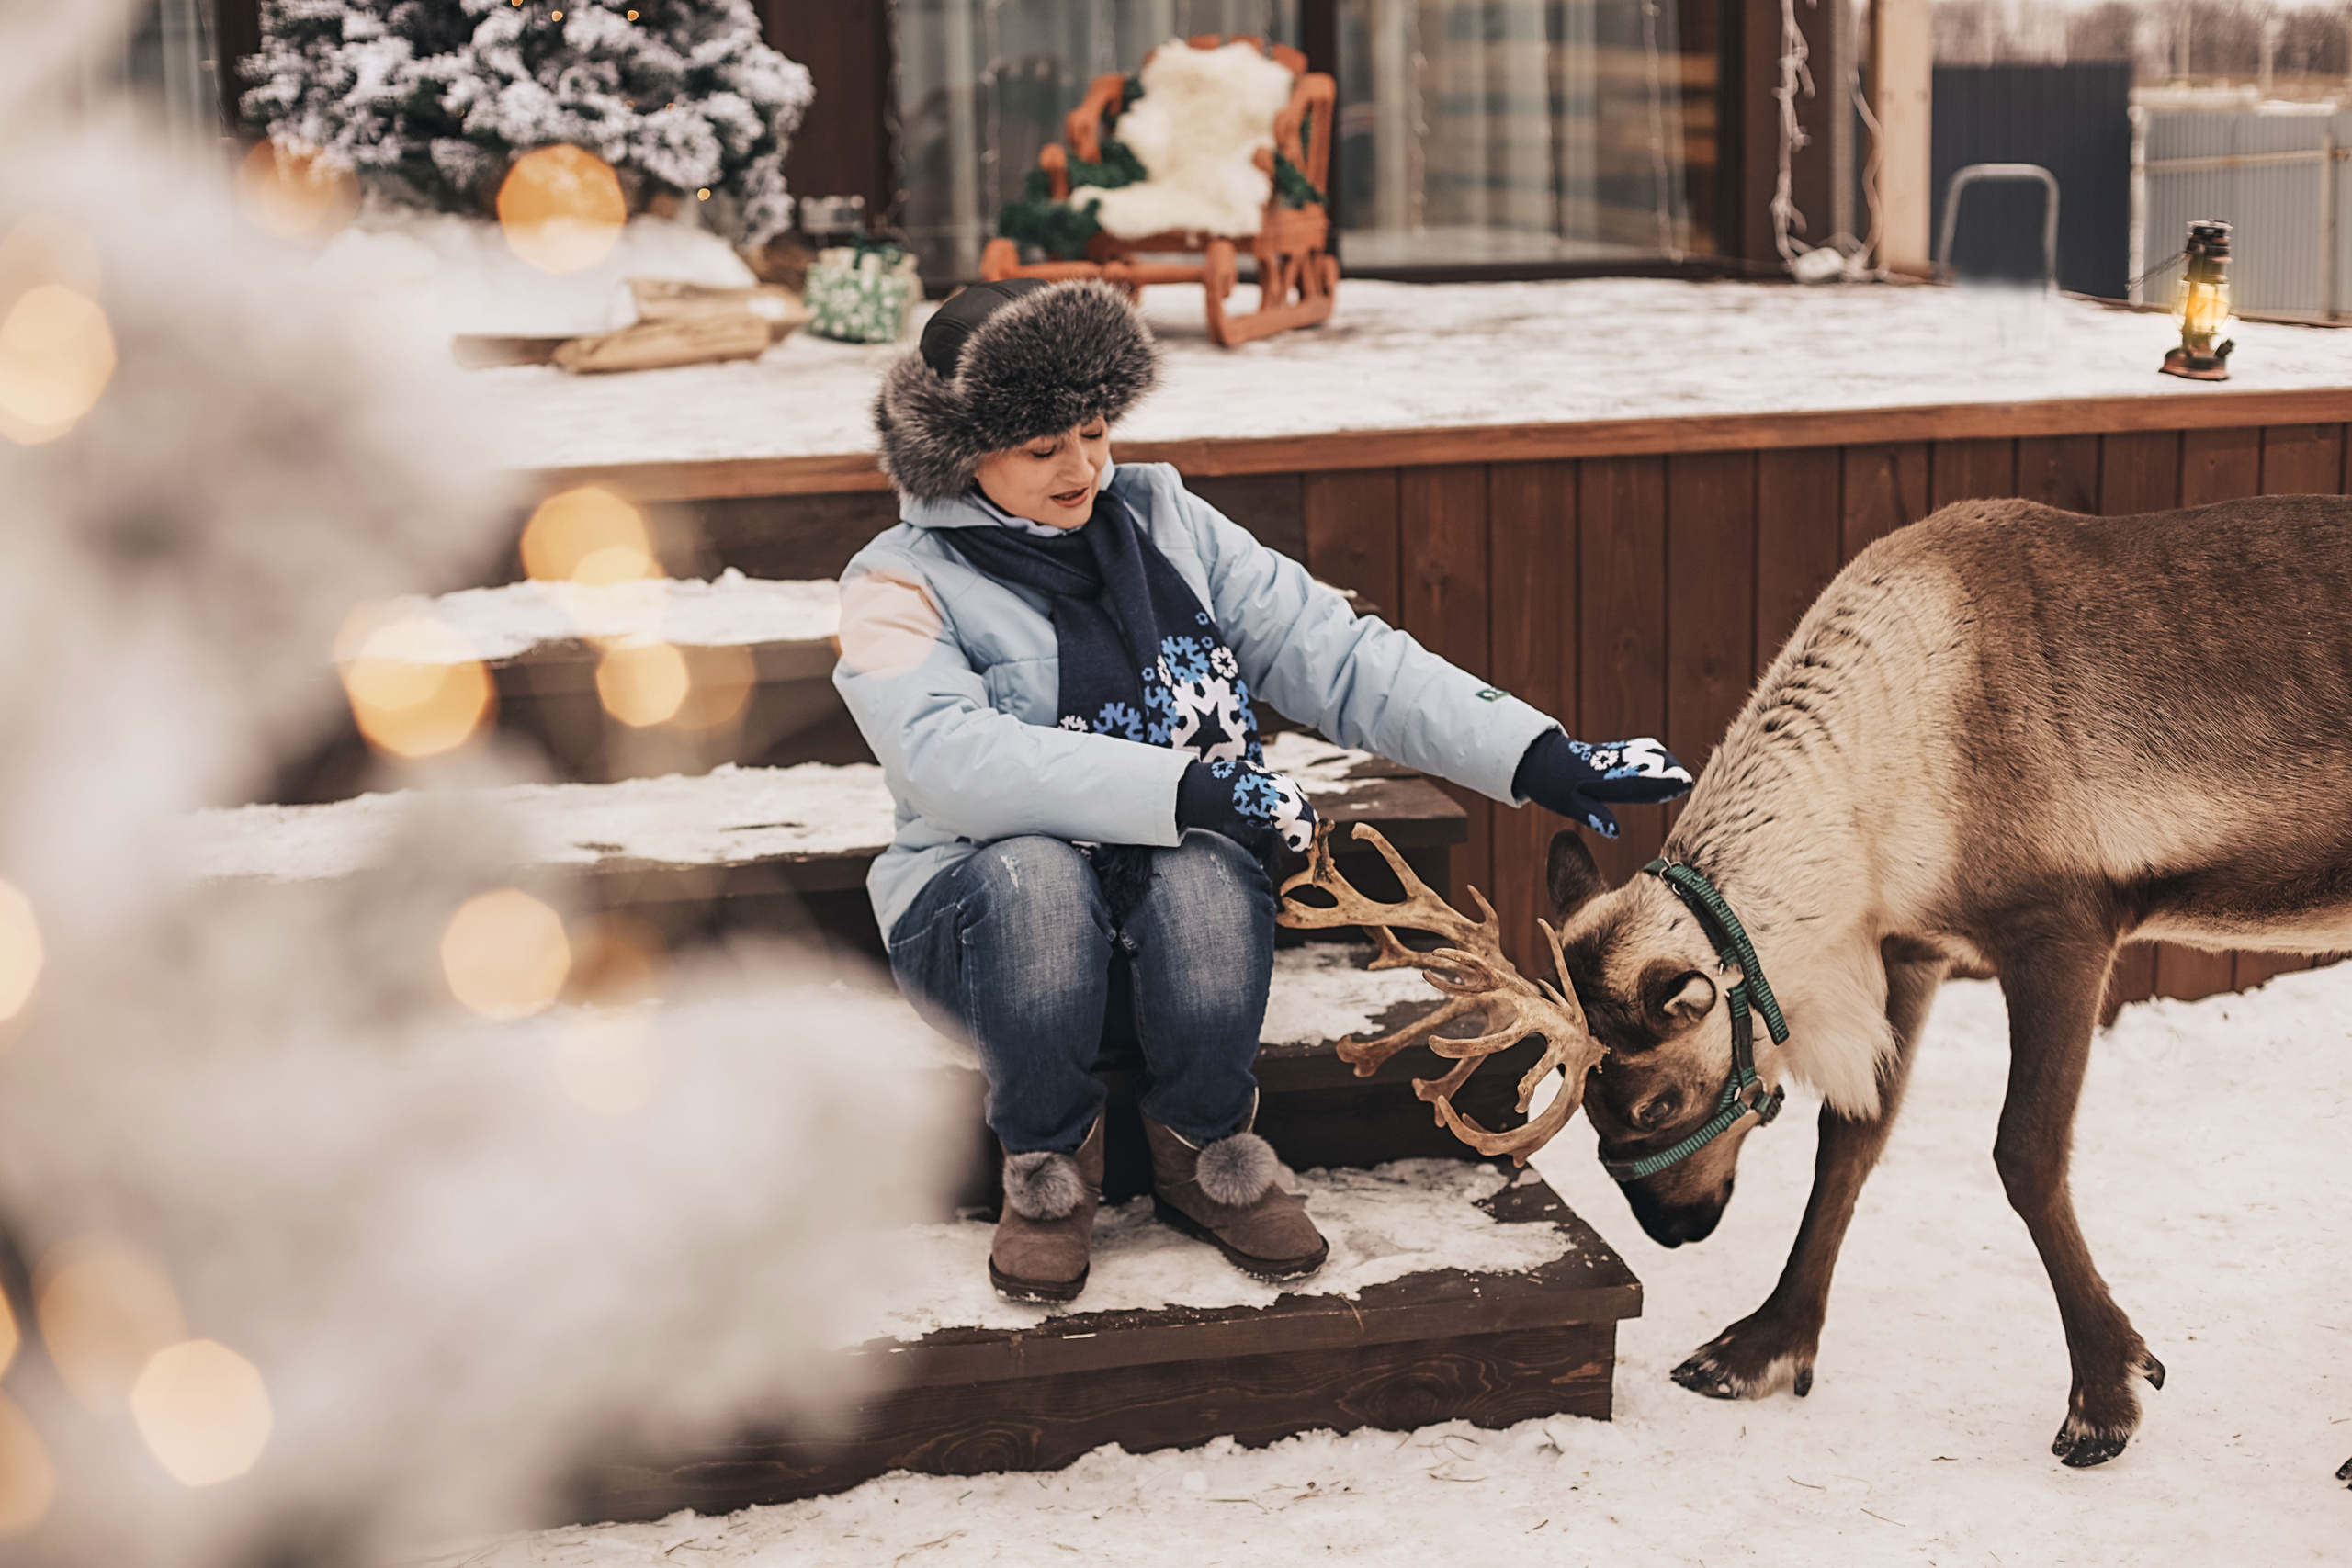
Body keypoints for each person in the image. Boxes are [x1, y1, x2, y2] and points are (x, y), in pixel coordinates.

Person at [835, 278, 1691, 1303]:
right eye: (1041, 447)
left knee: (1204, 863)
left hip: (1174, 946)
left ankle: (1205, 1150)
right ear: (962, 453)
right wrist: (1190, 785)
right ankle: (1047, 1172)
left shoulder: (1163, 519)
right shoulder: (897, 582)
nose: (1083, 468)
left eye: (1095, 430)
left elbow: (1332, 652)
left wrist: (1536, 754)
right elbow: (951, 762)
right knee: (1034, 870)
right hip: (992, 945)